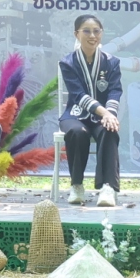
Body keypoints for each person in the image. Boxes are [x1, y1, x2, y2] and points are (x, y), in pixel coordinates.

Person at [58, 14, 124, 207]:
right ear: (76, 34)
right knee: (77, 132)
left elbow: (115, 90)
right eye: (86, 31)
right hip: (75, 115)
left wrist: (109, 115)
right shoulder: (68, 62)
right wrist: (106, 113)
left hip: (103, 117)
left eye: (96, 31)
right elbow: (78, 94)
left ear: (101, 33)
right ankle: (77, 185)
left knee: (109, 130)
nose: (92, 35)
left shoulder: (111, 62)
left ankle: (108, 187)